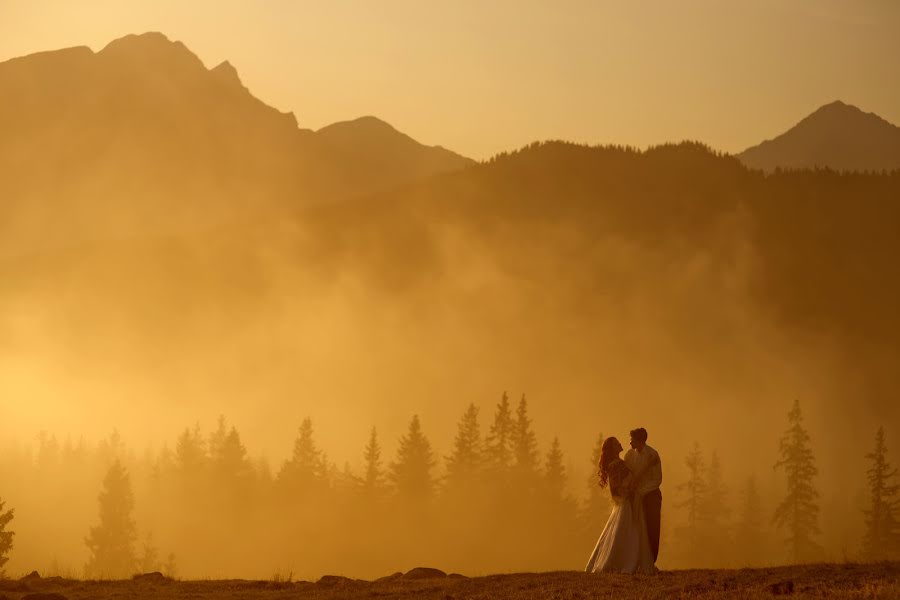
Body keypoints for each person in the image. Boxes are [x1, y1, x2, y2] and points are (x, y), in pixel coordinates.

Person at [584, 436, 658, 574]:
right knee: (629, 531)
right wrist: (629, 492)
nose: (620, 443)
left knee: (628, 531)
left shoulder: (618, 463)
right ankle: (626, 562)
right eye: (616, 443)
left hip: (628, 501)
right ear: (613, 448)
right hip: (626, 503)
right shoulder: (616, 465)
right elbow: (618, 487)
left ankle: (627, 562)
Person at [624, 427, 662, 564]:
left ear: (640, 440)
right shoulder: (629, 455)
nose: (630, 443)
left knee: (652, 527)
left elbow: (657, 479)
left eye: (632, 440)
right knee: (636, 527)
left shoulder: (653, 454)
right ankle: (636, 559)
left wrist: (642, 492)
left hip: (651, 496)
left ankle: (651, 561)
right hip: (635, 495)